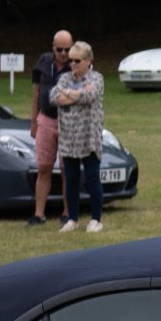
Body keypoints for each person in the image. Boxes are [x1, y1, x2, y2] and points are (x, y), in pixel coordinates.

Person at [50, 41, 107, 234]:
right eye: (71, 60)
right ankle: (72, 219)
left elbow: (90, 96)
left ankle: (95, 219)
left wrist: (68, 94)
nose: (72, 64)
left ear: (88, 60)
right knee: (71, 179)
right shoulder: (65, 77)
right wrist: (76, 93)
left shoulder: (97, 78)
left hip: (89, 136)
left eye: (77, 61)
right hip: (68, 136)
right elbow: (54, 97)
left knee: (92, 177)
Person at [28, 28, 73, 225]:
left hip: (68, 121)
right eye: (59, 49)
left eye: (67, 50)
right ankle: (39, 214)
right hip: (46, 119)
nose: (63, 54)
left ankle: (68, 212)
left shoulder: (76, 65)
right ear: (53, 47)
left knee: (67, 168)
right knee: (44, 167)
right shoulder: (44, 62)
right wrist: (34, 122)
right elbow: (36, 93)